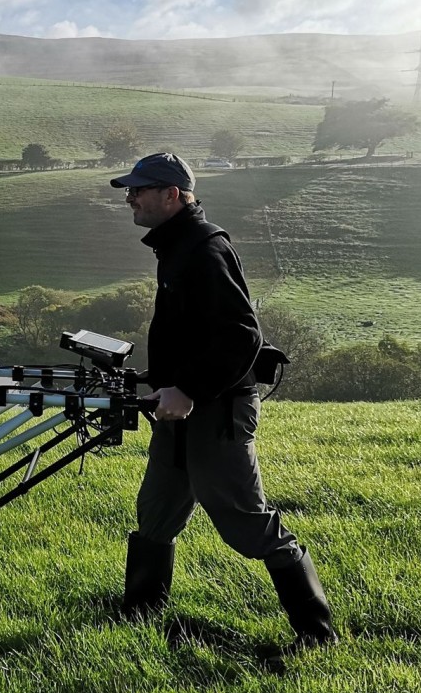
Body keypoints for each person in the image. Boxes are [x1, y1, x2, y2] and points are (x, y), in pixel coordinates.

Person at [110, 152, 337, 649]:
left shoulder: (203, 247)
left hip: (214, 412)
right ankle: (139, 616)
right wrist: (160, 379)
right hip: (182, 409)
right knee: (156, 511)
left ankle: (317, 636)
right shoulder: (174, 245)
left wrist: (187, 389)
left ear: (172, 195)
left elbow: (240, 336)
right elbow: (194, 334)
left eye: (139, 190)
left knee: (245, 523)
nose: (130, 197)